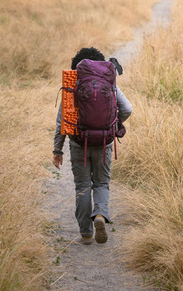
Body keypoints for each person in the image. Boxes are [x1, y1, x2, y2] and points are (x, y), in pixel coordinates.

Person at [53, 47, 132, 245]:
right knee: (101, 183)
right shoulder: (109, 81)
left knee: (82, 186)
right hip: (104, 142)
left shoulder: (73, 83)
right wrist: (114, 124)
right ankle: (100, 215)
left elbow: (61, 122)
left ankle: (86, 234)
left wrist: (57, 150)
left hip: (78, 142)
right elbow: (127, 109)